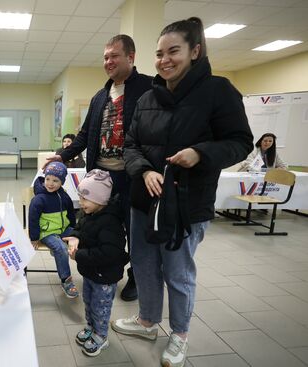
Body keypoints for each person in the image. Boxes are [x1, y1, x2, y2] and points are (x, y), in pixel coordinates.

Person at [111, 17, 253, 367]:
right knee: (144, 266)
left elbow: (240, 142)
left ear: (195, 51)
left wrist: (200, 153)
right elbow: (131, 145)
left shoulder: (219, 91)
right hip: (144, 201)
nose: (165, 60)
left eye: (173, 51)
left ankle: (180, 333)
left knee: (177, 273)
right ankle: (146, 321)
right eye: (159, 54)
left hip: (187, 204)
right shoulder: (147, 98)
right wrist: (143, 170)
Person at [45, 34, 152, 302]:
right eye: (105, 57)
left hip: (133, 176)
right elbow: (83, 136)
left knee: (135, 229)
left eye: (114, 56)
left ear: (131, 57)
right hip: (102, 176)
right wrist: (62, 155)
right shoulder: (100, 97)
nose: (108, 61)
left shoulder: (149, 89)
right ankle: (104, 270)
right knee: (103, 229)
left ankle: (136, 278)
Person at [66, 169, 128, 357]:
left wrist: (79, 256)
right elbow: (78, 229)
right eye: (80, 197)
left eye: (85, 198)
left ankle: (101, 336)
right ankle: (91, 328)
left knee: (100, 307)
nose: (81, 202)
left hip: (105, 276)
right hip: (91, 272)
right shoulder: (89, 213)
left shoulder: (111, 222)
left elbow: (108, 254)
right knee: (88, 302)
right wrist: (74, 238)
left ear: (101, 199)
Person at [29, 162, 78, 298]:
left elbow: (71, 213)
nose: (50, 183)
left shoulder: (64, 195)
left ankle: (92, 273)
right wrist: (34, 238)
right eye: (48, 179)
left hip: (63, 229)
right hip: (47, 232)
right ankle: (66, 280)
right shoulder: (39, 199)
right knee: (61, 248)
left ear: (62, 182)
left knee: (84, 237)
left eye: (55, 180)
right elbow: (32, 219)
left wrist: (74, 229)